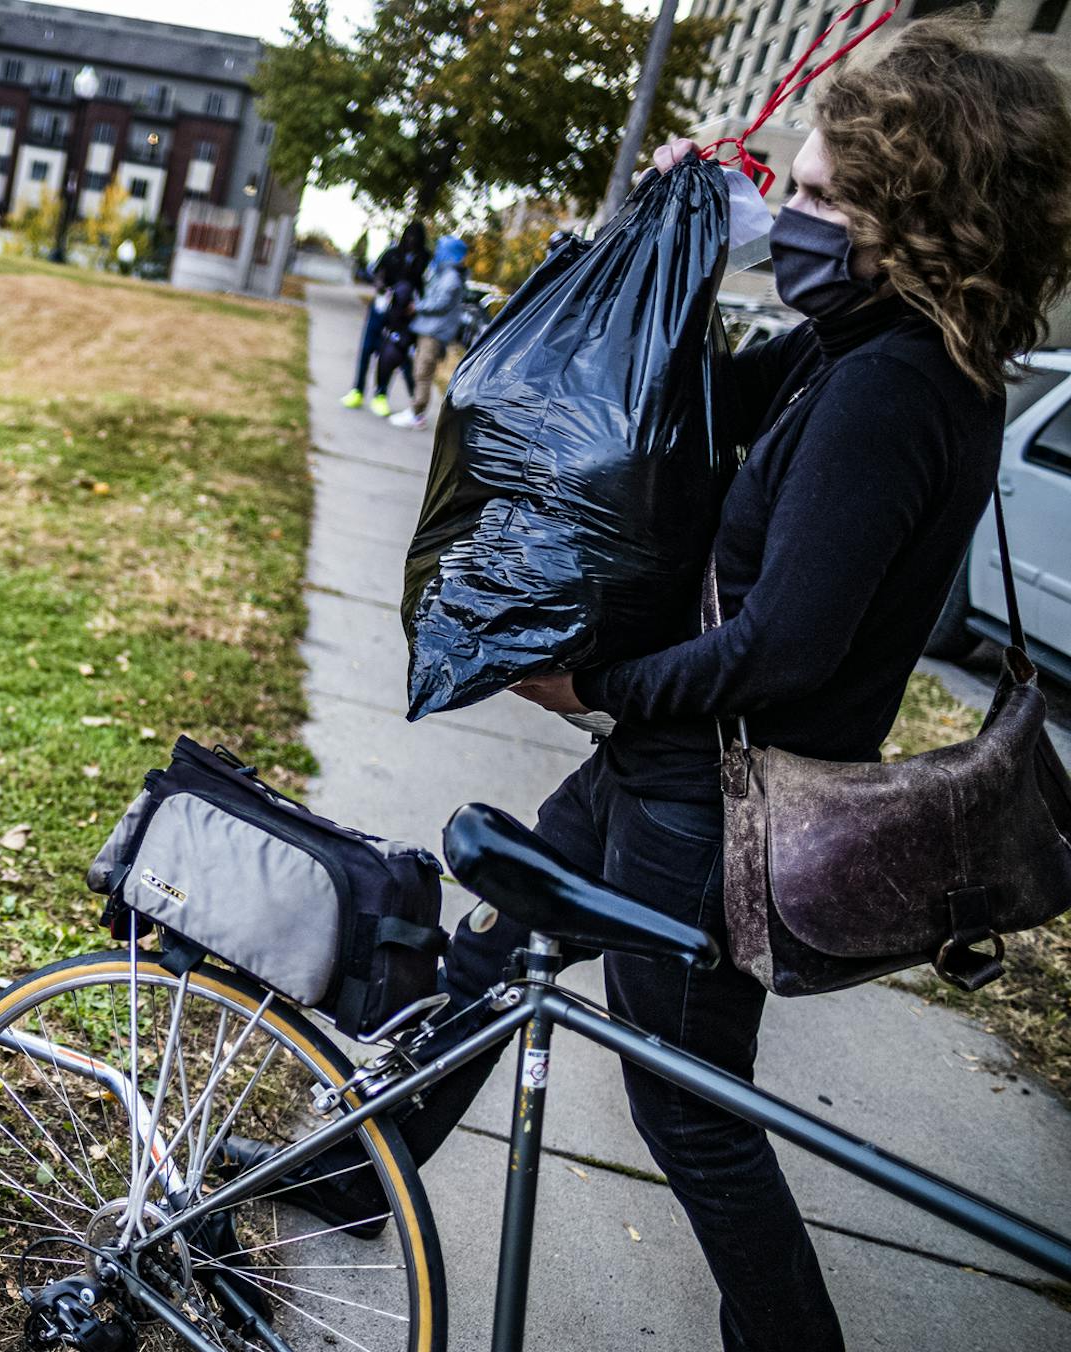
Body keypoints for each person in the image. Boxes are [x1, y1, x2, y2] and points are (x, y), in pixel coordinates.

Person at [355, 17, 1071, 1351]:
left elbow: (785, 647)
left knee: (691, 1107)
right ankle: (356, 1180)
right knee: (498, 942)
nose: (786, 216)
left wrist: (600, 684)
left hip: (711, 806)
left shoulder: (893, 390)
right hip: (680, 777)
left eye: (811, 197)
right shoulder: (858, 345)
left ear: (911, 219)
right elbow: (693, 401)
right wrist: (681, 233)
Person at [342, 222, 429, 414]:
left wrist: (416, 305)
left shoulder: (425, 260)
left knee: (390, 353)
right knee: (367, 348)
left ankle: (381, 395)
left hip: (402, 315)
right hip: (381, 307)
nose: (412, 241)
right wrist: (380, 285)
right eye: (409, 236)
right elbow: (375, 274)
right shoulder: (392, 254)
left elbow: (426, 288)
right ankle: (357, 390)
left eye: (416, 238)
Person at [389, 234, 468, 431]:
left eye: (442, 250)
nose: (437, 254)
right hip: (430, 330)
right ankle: (416, 411)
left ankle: (417, 414)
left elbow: (440, 304)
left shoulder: (451, 279)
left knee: (423, 373)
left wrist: (419, 307)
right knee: (420, 372)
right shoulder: (444, 274)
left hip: (434, 333)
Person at [366, 274, 418, 417]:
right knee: (389, 362)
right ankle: (381, 395)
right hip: (396, 336)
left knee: (405, 368)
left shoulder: (410, 289)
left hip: (403, 337)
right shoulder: (396, 290)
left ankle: (417, 404)